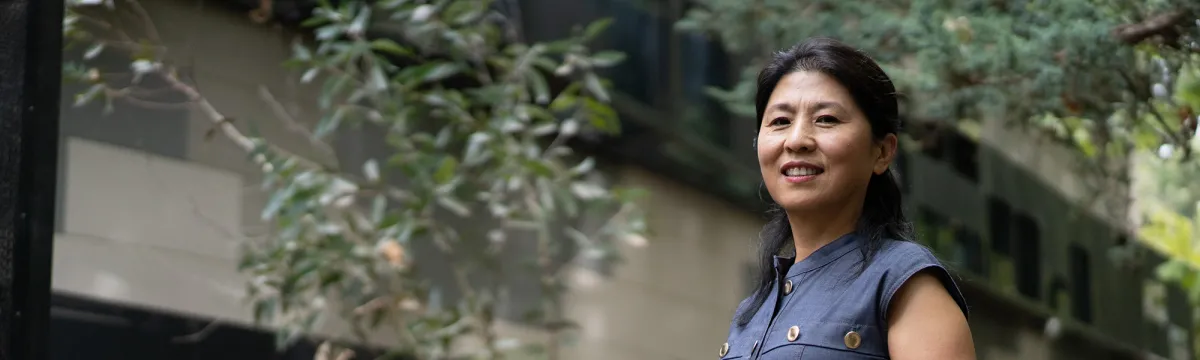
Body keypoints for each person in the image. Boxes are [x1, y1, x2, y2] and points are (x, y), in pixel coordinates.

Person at [719, 37, 976, 359]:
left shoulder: (902, 282)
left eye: (826, 119)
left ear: (882, 152)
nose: (797, 140)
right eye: (780, 122)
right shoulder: (753, 310)